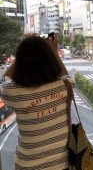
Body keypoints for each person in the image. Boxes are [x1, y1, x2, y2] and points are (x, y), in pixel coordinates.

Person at [0, 34, 72, 170]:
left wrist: (24, 52)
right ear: (50, 58)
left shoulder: (13, 92)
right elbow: (65, 74)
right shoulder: (64, 85)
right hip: (60, 165)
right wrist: (53, 50)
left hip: (27, 165)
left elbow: (4, 80)